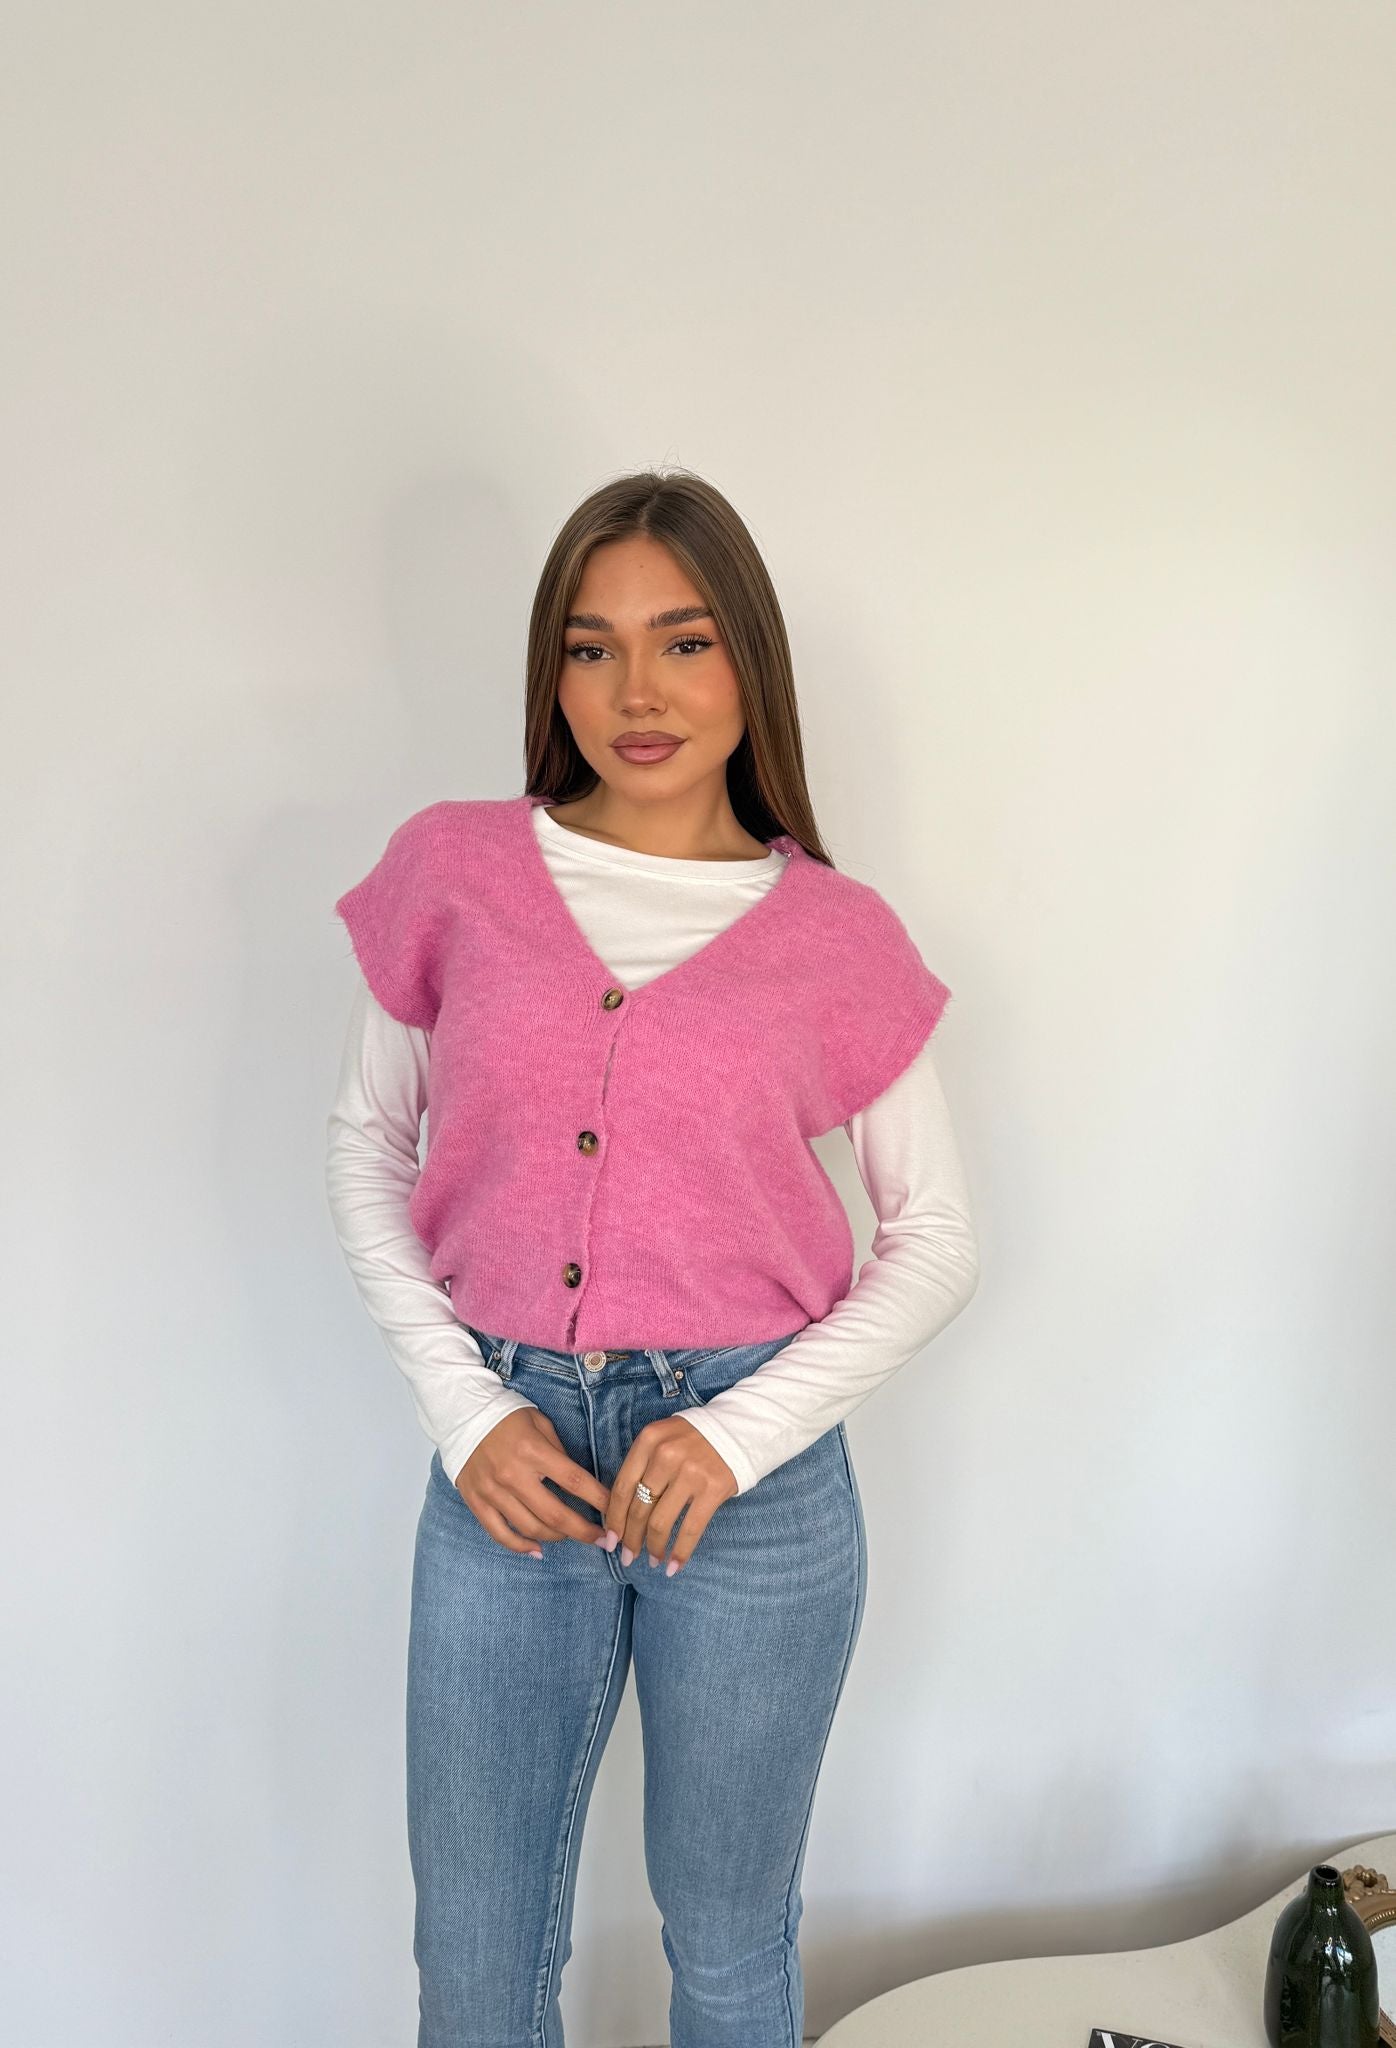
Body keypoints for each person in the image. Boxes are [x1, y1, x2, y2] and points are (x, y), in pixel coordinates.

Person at [325, 467, 980, 2047]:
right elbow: (367, 1145)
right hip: (507, 1455)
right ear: (550, 673)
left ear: (749, 661)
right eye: (591, 645)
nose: (638, 691)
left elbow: (937, 1241)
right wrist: (467, 1412)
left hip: (751, 1483)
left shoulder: (838, 937)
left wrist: (735, 1436)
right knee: (475, 1966)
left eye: (684, 642)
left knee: (732, 1951)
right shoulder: (456, 871)